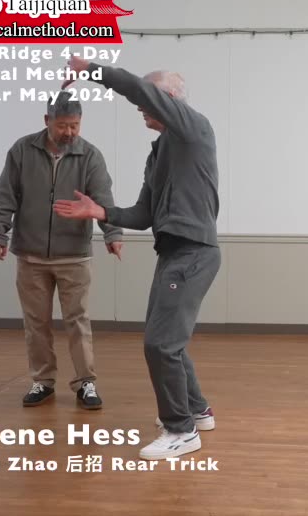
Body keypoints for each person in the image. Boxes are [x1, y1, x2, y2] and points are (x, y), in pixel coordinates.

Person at [53, 57, 220, 461]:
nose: (141, 107)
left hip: (193, 252)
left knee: (160, 344)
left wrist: (92, 70)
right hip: (174, 252)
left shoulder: (194, 128)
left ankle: (181, 431)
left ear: (171, 99)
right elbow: (144, 215)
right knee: (169, 341)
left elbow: (137, 89)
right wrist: (102, 212)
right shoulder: (159, 153)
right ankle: (197, 411)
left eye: (150, 99)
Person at [0, 91, 123, 410]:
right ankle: (43, 381)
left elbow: (103, 200)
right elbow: (5, 194)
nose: (69, 132)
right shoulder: (22, 150)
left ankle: (85, 382)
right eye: (62, 126)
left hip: (74, 255)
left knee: (78, 321)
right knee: (36, 323)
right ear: (47, 120)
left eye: (75, 125)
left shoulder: (90, 156)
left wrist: (113, 233)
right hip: (30, 255)